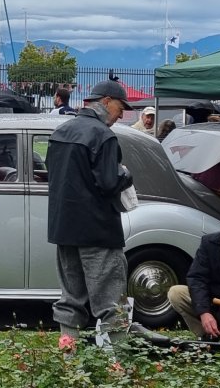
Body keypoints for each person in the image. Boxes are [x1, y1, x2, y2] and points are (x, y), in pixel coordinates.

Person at [46, 79, 135, 348]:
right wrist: (126, 176)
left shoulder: (61, 131)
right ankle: (118, 363)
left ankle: (68, 357)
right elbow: (109, 182)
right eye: (120, 108)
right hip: (98, 230)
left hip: (64, 229)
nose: (121, 115)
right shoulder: (103, 135)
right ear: (106, 101)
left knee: (70, 299)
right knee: (111, 303)